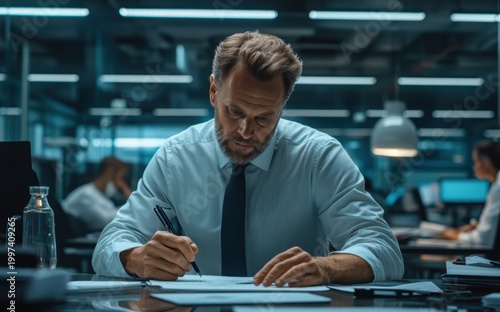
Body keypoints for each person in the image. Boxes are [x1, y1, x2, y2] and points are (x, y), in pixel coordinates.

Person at [92, 31, 403, 286]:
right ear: (214, 91)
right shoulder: (176, 157)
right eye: (235, 111)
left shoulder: (319, 156)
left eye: (264, 118)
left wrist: (326, 268)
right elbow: (113, 241)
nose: (245, 131)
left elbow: (384, 250)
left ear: (283, 104)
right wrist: (135, 258)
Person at [440, 139, 500, 247]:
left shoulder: (498, 189)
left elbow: (483, 241)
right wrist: (480, 227)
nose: (474, 167)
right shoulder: (496, 184)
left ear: (486, 162)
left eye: (476, 161)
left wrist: (455, 236)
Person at [62, 156, 132, 233]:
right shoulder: (86, 195)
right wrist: (127, 193)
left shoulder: (100, 194)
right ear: (109, 172)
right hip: (78, 240)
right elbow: (106, 222)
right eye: (120, 178)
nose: (121, 183)